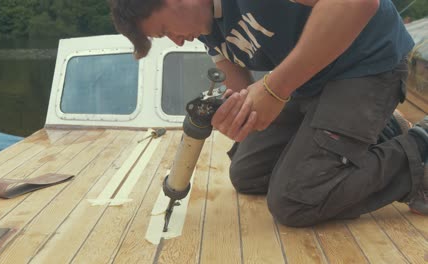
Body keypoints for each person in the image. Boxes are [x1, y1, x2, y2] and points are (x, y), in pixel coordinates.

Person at [110, 0, 428, 226]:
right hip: (314, 82)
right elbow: (237, 86)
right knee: (247, 173)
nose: (177, 42)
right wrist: (234, 113)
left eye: (165, 30)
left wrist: (274, 89)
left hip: (368, 64)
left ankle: (419, 144)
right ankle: (381, 129)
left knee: (294, 200)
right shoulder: (206, 28)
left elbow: (358, 3)